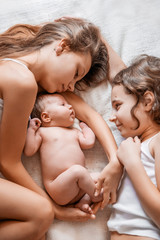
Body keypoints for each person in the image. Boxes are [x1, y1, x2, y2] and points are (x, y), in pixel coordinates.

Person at [0, 16, 125, 240]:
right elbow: (8, 161)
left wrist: (116, 162)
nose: (71, 86)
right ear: (62, 46)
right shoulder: (22, 82)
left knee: (39, 228)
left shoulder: (33, 84)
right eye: (76, 72)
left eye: (77, 83)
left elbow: (89, 114)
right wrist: (57, 209)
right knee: (42, 214)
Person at [108, 55, 160, 240]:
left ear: (147, 102)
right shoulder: (137, 143)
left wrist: (132, 163)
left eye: (117, 106)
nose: (112, 117)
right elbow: (121, 78)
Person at [24, 93, 103, 215]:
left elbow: (89, 142)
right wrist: (31, 130)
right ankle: (96, 195)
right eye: (63, 104)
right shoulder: (43, 132)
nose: (70, 106)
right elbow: (29, 151)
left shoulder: (74, 132)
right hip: (58, 187)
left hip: (78, 187)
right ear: (46, 117)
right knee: (79, 171)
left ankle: (83, 201)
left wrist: (85, 127)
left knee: (99, 176)